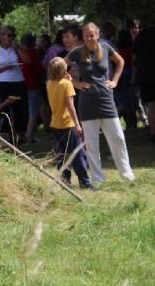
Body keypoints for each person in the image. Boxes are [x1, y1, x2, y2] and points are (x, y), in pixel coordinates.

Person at [66, 22, 135, 183]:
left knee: (118, 137)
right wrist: (75, 83)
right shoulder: (77, 52)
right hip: (87, 102)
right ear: (82, 37)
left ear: (98, 34)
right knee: (91, 143)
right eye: (86, 35)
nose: (90, 38)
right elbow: (60, 66)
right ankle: (97, 178)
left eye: (92, 34)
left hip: (106, 100)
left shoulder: (106, 48)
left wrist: (115, 81)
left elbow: (121, 62)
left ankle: (127, 174)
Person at [46, 57, 92, 190]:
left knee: (62, 154)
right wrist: (77, 124)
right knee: (78, 154)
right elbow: (70, 106)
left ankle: (65, 180)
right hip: (67, 124)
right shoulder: (66, 85)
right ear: (63, 69)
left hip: (55, 123)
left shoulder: (50, 83)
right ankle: (85, 182)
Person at [0, 26, 28, 136]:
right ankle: (5, 134)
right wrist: (5, 68)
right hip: (4, 83)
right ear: (2, 36)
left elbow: (27, 60)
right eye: (9, 35)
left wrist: (18, 48)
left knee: (20, 110)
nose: (12, 38)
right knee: (5, 109)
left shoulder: (15, 48)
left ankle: (20, 135)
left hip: (19, 81)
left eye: (13, 35)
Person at [19, 32, 45, 143]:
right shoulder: (33, 55)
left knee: (25, 110)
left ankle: (26, 133)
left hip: (21, 85)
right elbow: (40, 71)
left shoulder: (18, 54)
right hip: (33, 85)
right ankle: (29, 135)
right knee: (33, 112)